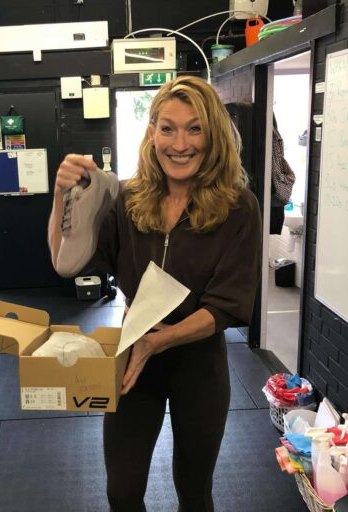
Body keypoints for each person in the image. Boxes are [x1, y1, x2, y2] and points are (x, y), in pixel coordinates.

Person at [48, 75, 262, 512]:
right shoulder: (126, 198)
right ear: (152, 133)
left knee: (194, 492)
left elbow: (226, 305)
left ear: (213, 135)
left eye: (194, 129)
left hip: (198, 364)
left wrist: (158, 340)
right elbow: (66, 261)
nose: (180, 144)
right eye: (168, 128)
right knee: (122, 492)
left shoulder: (238, 207)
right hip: (133, 357)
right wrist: (60, 198)